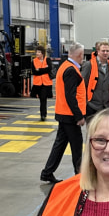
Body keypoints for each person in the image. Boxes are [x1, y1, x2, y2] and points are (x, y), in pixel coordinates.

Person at [40, 43, 86, 184]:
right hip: (70, 115)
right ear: (79, 55)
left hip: (63, 113)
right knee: (77, 145)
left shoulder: (64, 66)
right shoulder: (71, 70)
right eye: (82, 56)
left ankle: (47, 172)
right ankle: (80, 175)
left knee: (60, 144)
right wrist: (78, 116)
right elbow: (70, 96)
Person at [81, 41, 109, 121]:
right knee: (93, 131)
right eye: (103, 51)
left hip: (107, 106)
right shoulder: (89, 64)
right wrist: (85, 103)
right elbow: (82, 85)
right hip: (92, 105)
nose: (105, 53)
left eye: (107, 51)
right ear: (97, 52)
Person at [30, 45, 53, 121]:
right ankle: (43, 114)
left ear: (42, 53)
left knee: (44, 98)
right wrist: (44, 70)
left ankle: (43, 114)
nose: (37, 53)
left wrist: (39, 70)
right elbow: (34, 72)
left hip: (46, 83)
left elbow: (49, 69)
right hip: (38, 84)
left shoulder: (47, 60)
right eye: (36, 52)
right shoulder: (34, 61)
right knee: (42, 99)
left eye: (39, 52)